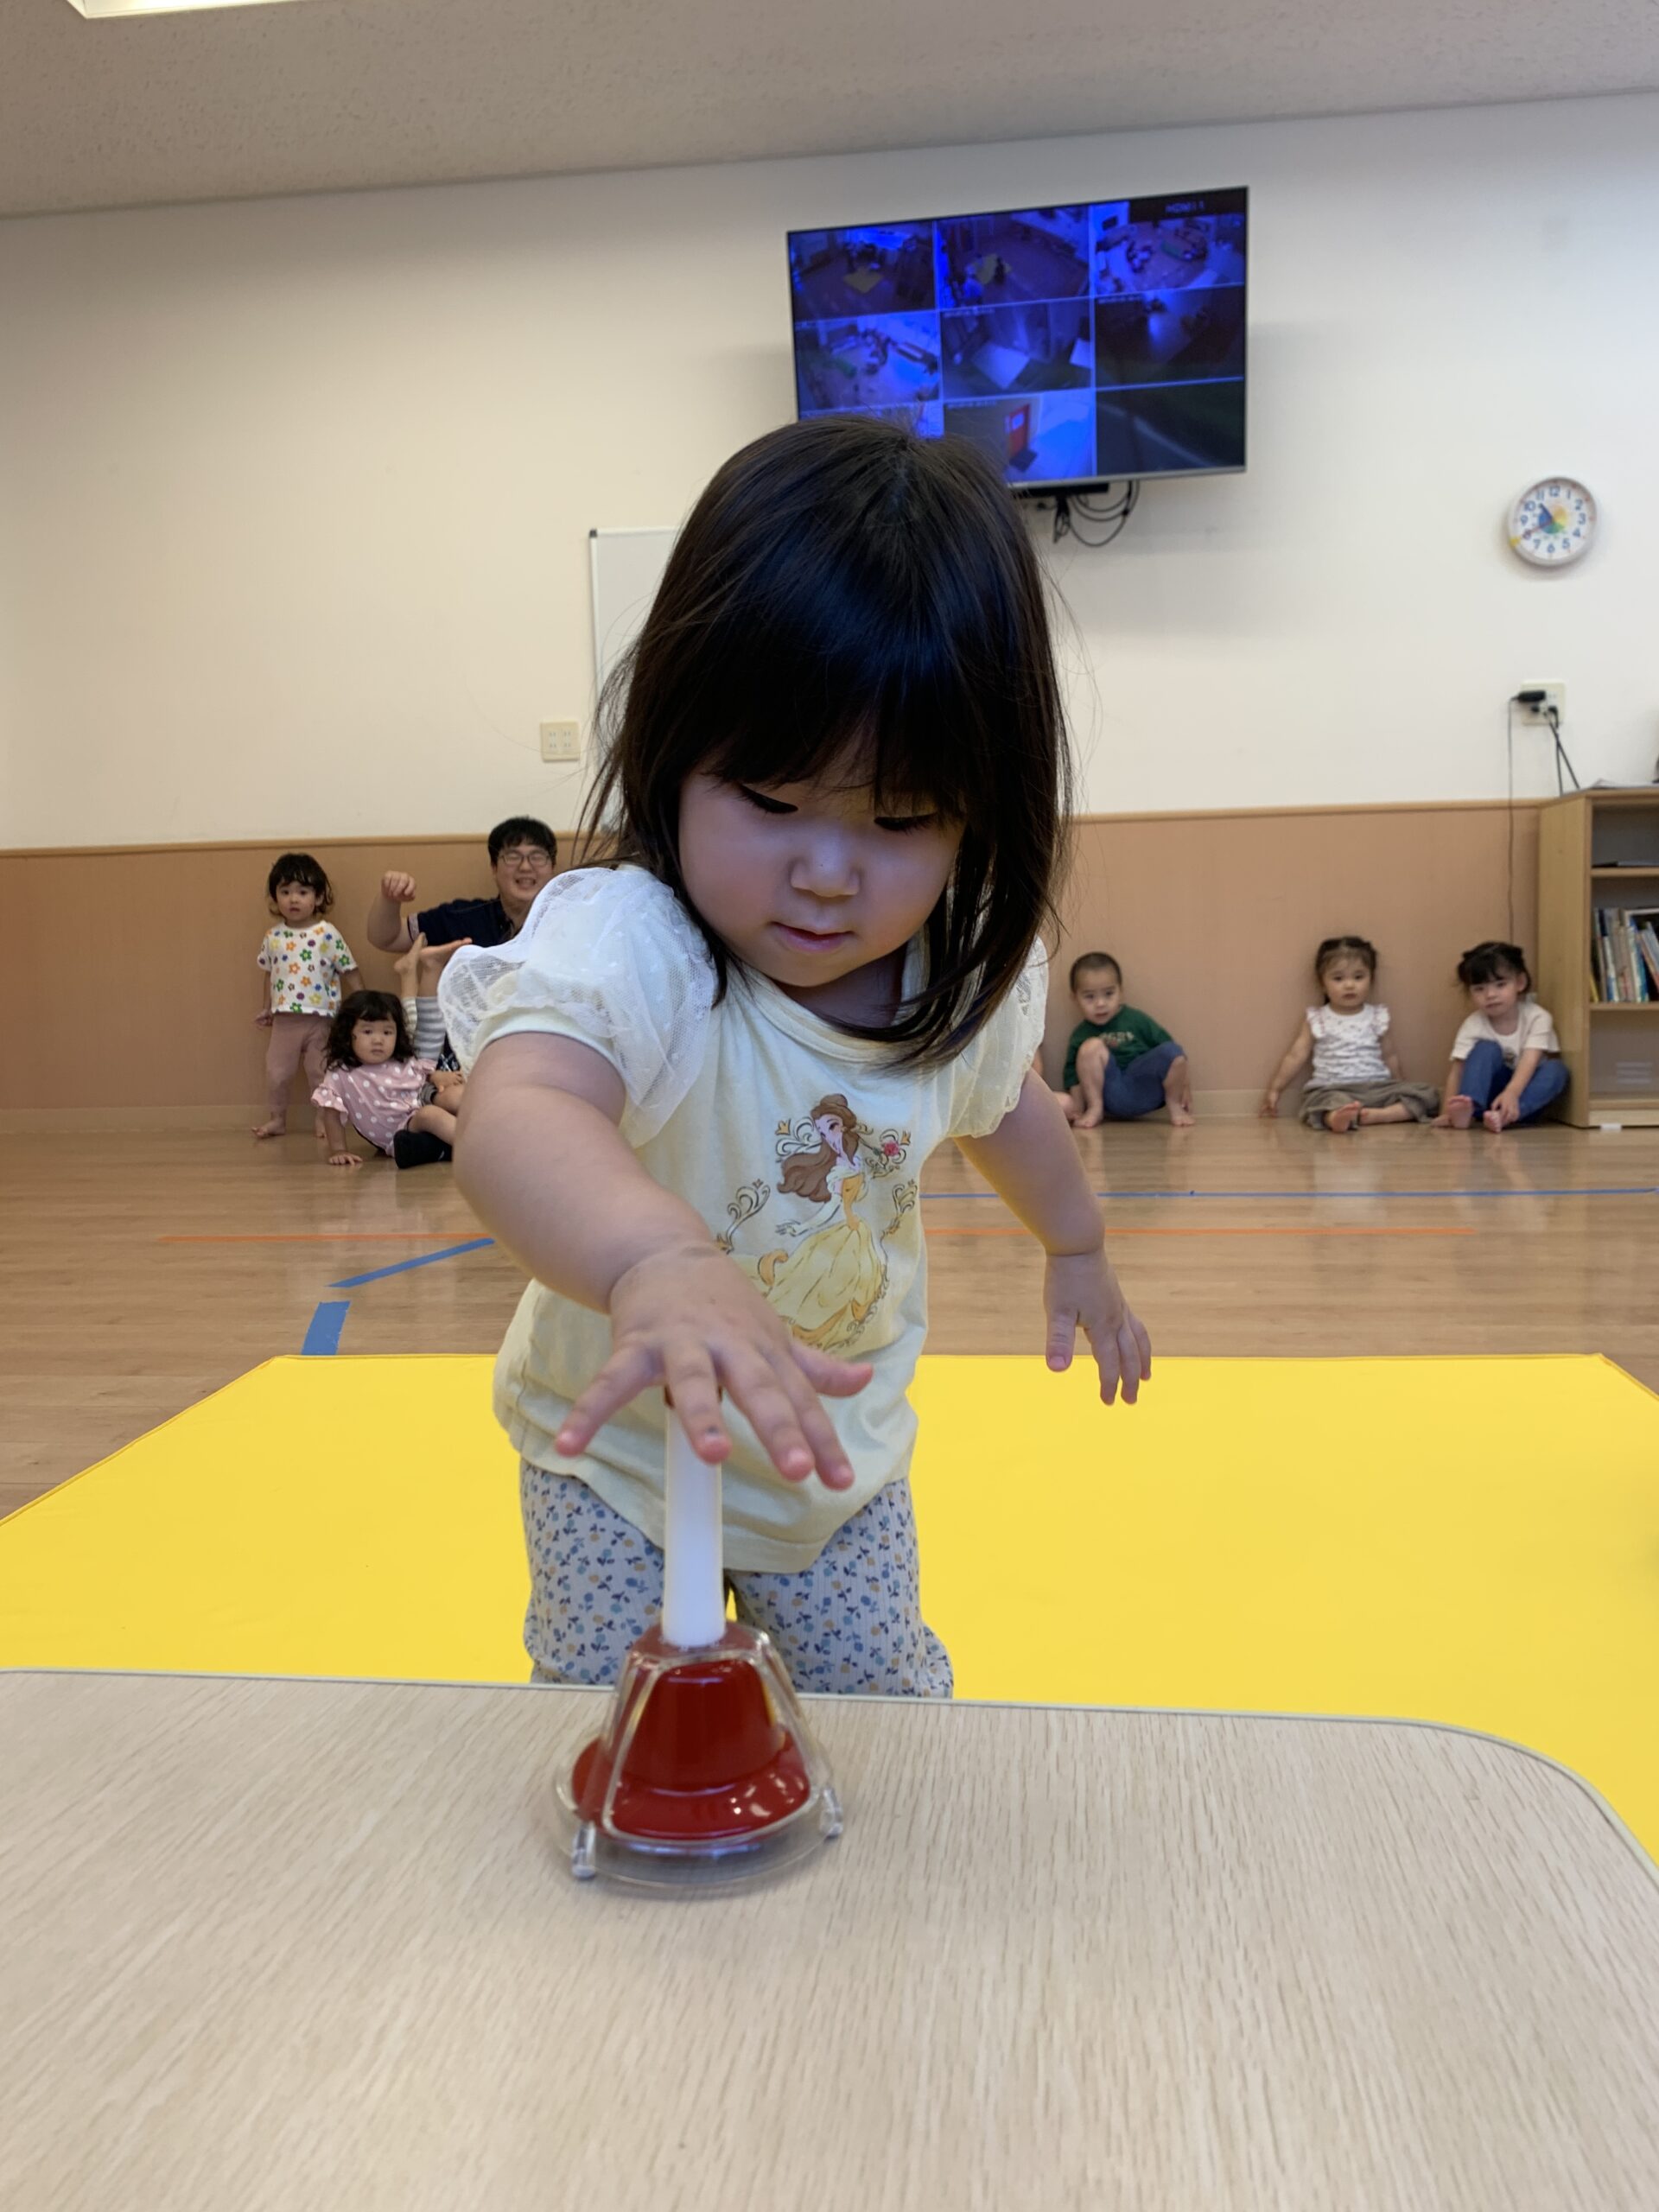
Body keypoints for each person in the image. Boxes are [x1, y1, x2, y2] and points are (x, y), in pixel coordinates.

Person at [440, 415, 1151, 1699]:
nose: (826, 873)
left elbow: (1009, 1111)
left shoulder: (958, 981)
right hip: (618, 1459)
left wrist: (1080, 1244)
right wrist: (654, 1258)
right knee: (615, 1712)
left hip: (831, 1462)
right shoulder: (638, 944)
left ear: (979, 812)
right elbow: (520, 1110)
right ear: (672, 756)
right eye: (770, 802)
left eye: (899, 817)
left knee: (882, 1704)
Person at [1261, 935, 1440, 1131]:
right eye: (1338, 978)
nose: (1349, 985)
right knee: (1320, 1103)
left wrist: (1400, 1085)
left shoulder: (1377, 1016)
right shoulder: (1317, 1018)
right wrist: (1275, 1089)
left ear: (1371, 979)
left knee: (1426, 1094)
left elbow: (1390, 1055)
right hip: (1333, 1088)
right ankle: (1338, 1117)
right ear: (1323, 983)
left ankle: (1381, 1115)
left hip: (1377, 1088)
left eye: (1358, 977)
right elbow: (1296, 1056)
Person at [253, 853, 358, 1141]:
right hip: (284, 1020)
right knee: (277, 1073)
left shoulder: (327, 933)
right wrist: (266, 1008)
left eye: (302, 892)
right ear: (275, 898)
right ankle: (277, 1119)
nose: (293, 899)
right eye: (285, 892)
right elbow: (269, 974)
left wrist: (360, 1005)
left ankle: (324, 1119)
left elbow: (349, 968)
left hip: (321, 1019)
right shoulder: (273, 936)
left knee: (320, 1072)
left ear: (319, 896)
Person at [311, 985, 458, 1172]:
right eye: (368, 1032)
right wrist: (338, 1150)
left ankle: (482, 1132)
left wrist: (438, 1076)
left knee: (454, 1096)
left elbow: (422, 1076)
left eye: (387, 1033)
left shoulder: (400, 1061)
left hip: (419, 1113)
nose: (378, 1040)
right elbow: (331, 1114)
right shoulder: (341, 1072)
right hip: (400, 1132)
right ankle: (475, 1146)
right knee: (429, 1115)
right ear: (348, 1033)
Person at [365, 817, 559, 957]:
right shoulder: (463, 917)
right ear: (494, 868)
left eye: (537, 857)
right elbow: (388, 939)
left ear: (552, 868)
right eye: (513, 857)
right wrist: (389, 899)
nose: (525, 867)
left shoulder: (571, 921)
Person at [1432, 941, 1567, 1132]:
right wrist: (1447, 1111)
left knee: (1556, 1070)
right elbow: (1458, 1070)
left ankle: (1507, 1117)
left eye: (1500, 985)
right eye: (1479, 989)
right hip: (1486, 1099)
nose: (1490, 995)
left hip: (1523, 1098)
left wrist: (1512, 1094)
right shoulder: (1474, 1024)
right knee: (1485, 1049)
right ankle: (1468, 1109)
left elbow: (1530, 1060)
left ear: (1520, 983)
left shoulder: (1538, 1017)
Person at [1056, 951, 1193, 1128]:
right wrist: (1078, 1109)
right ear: (1075, 998)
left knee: (1173, 1052)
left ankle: (1175, 1107)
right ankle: (1095, 1109)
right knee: (1091, 1047)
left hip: (1146, 1087)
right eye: (1089, 996)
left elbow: (1172, 1055)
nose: (1100, 1003)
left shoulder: (1136, 1020)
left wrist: (1185, 1087)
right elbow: (1073, 1077)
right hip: (1110, 1092)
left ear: (1120, 991)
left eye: (1109, 994)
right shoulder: (1081, 1034)